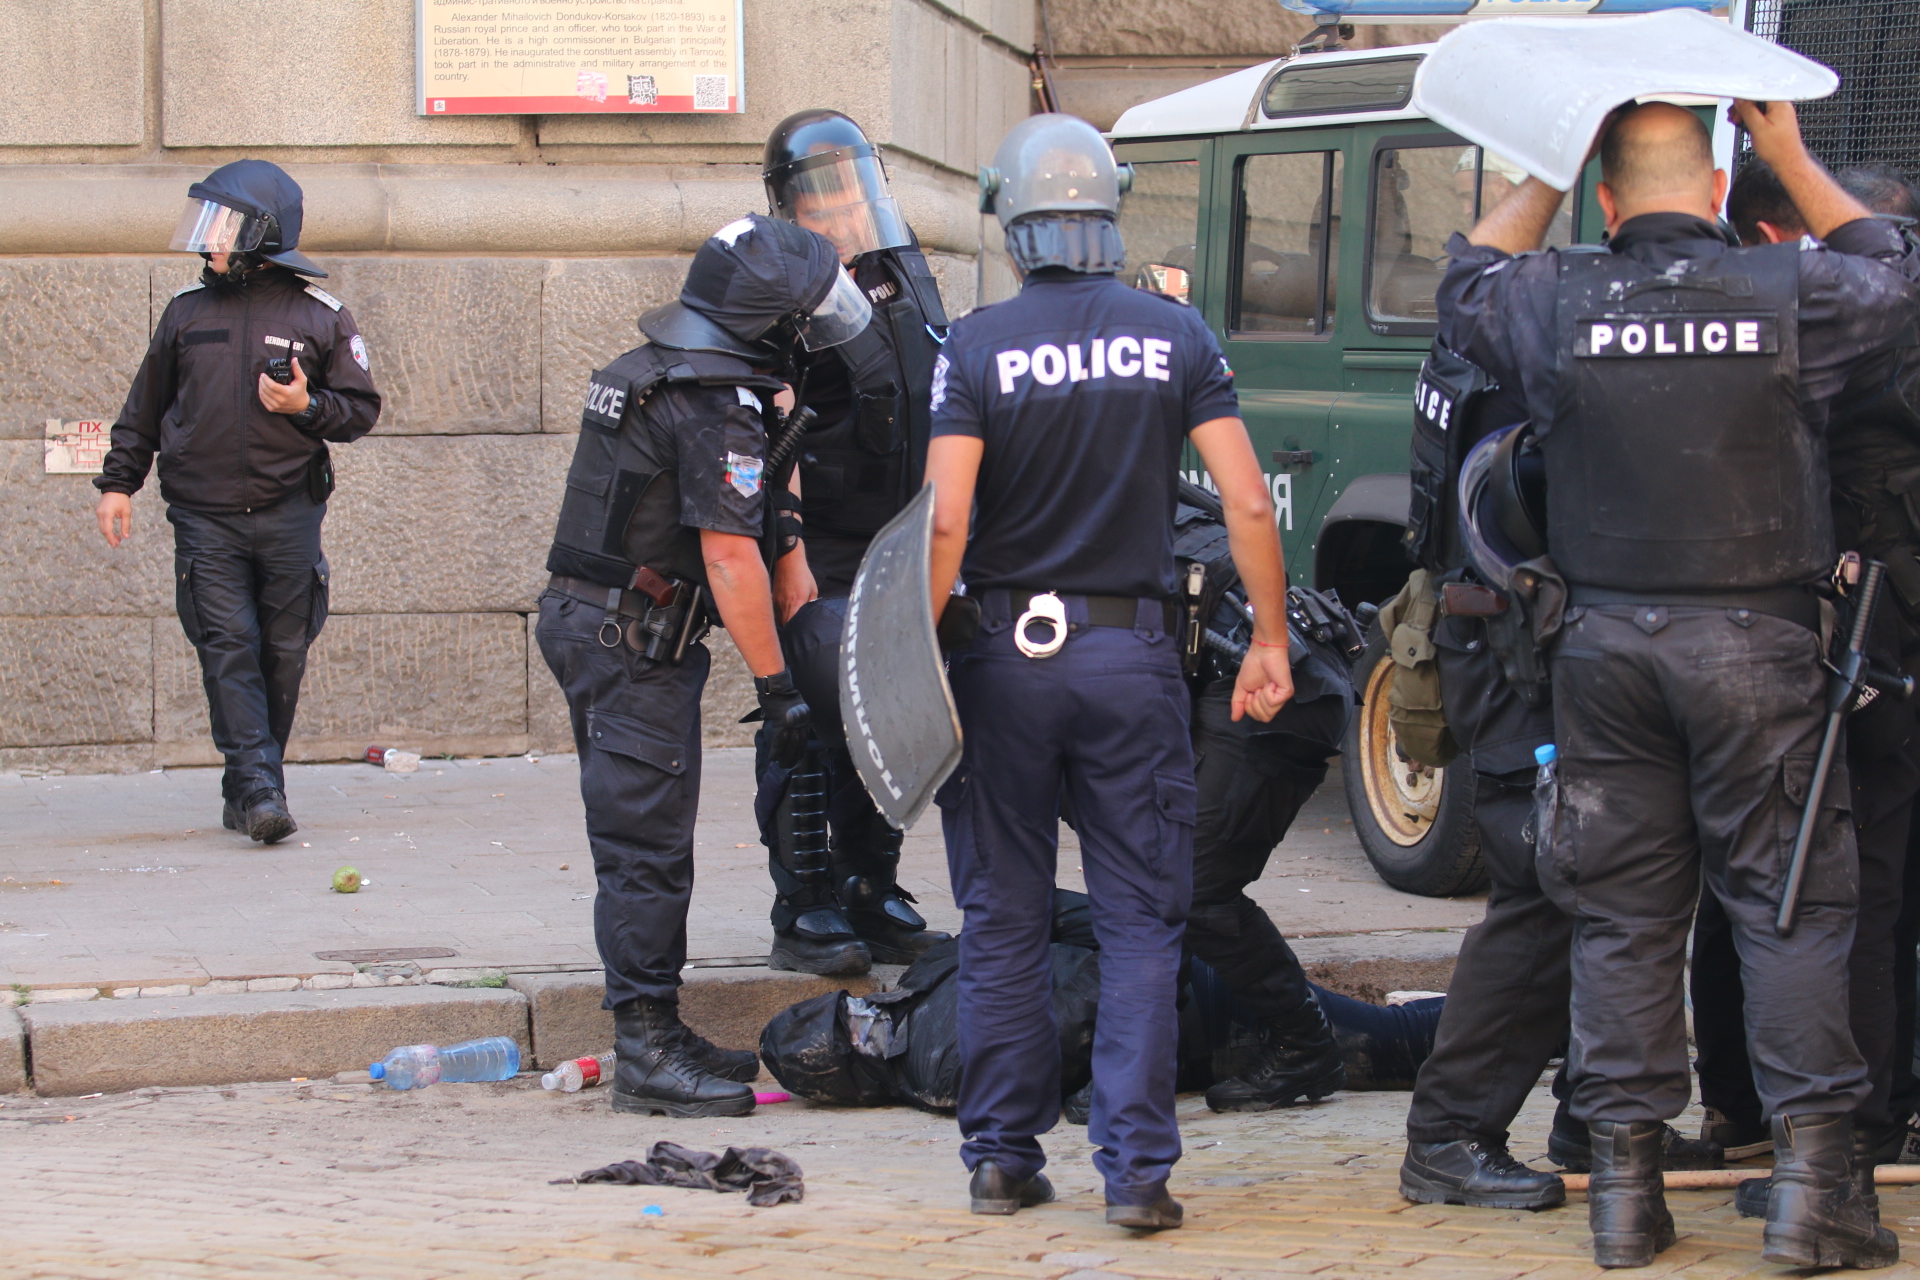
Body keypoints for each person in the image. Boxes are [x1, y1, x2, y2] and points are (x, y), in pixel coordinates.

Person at [1437, 98, 1917, 1269]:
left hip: (1603, 653)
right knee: (1788, 908)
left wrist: (1546, 162)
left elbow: (1464, 281)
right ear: (1715, 193)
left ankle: (1625, 1197)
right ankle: (1815, 1193)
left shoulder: (1553, 298)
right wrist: (1790, 153)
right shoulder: (1791, 291)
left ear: (1605, 199)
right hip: (1760, 653)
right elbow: (1895, 272)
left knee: (1624, 920)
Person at [925, 113, 1295, 1229]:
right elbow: (1244, 500)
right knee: (1139, 920)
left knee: (1003, 917)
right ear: (1109, 211)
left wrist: (916, 659)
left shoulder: (973, 345)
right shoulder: (1174, 335)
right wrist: (1270, 640)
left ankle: (1000, 1158)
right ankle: (1135, 1175)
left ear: (1010, 219)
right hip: (1130, 657)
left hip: (1000, 659)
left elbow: (944, 521)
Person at [537, 212, 871, 1118]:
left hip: (606, 624)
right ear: (768, 321)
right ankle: (645, 1050)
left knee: (647, 839)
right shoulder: (714, 402)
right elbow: (728, 558)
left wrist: (791, 533)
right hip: (630, 639)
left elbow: (763, 482)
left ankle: (660, 1028)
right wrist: (776, 688)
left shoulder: (670, 373)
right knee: (644, 848)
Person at [1698, 160, 1920, 1212]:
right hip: (1864, 632)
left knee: (1827, 882)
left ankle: (1836, 1130)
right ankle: (1851, 1110)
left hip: (1847, 637)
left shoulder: (1832, 328)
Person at [93, 160, 381, 844]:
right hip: (204, 516)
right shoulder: (186, 313)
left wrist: (305, 404)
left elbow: (360, 410)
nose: (206, 241)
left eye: (219, 226)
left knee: (282, 650)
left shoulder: (320, 316)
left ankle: (247, 787)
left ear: (261, 235)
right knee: (228, 646)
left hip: (289, 512)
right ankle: (259, 790)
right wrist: (119, 483)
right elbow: (143, 408)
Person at [752, 110, 954, 976]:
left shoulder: (903, 272)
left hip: (900, 535)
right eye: (818, 200)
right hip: (820, 541)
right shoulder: (779, 286)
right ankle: (803, 904)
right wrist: (788, 554)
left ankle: (869, 884)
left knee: (889, 713)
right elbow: (766, 430)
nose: (838, 212)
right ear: (789, 207)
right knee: (809, 715)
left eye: (848, 192)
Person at [1169, 480, 1359, 1112]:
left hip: (1272, 688)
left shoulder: (1097, 511)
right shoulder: (1148, 486)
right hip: (1267, 674)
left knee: (1193, 886)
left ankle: (1306, 1045)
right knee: (1165, 869)